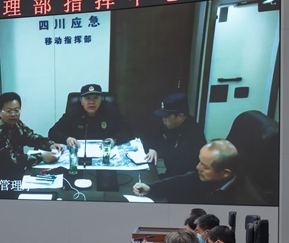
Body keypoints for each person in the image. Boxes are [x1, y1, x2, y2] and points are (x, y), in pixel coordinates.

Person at [132, 140, 265, 205]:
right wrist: (151, 188)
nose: (197, 167)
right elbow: (183, 181)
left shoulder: (246, 201)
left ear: (225, 173)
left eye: (204, 166)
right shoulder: (213, 176)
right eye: (199, 161)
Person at [0, 93, 64, 179]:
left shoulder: (16, 124)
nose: (13, 114)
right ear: (0, 112)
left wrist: (49, 144)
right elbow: (10, 160)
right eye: (9, 111)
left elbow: (31, 137)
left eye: (16, 110)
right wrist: (41, 157)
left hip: (16, 172)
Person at [144, 93, 207, 178]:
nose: (163, 119)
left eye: (166, 116)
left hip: (186, 178)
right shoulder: (170, 124)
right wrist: (152, 148)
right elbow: (154, 135)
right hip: (171, 172)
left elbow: (181, 169)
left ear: (180, 116)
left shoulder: (193, 134)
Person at [48, 84, 132, 147]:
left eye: (95, 98)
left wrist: (113, 140)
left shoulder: (111, 111)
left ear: (101, 100)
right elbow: (53, 132)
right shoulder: (73, 112)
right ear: (81, 101)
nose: (91, 102)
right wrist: (67, 139)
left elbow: (128, 132)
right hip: (79, 152)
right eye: (87, 98)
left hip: (106, 152)